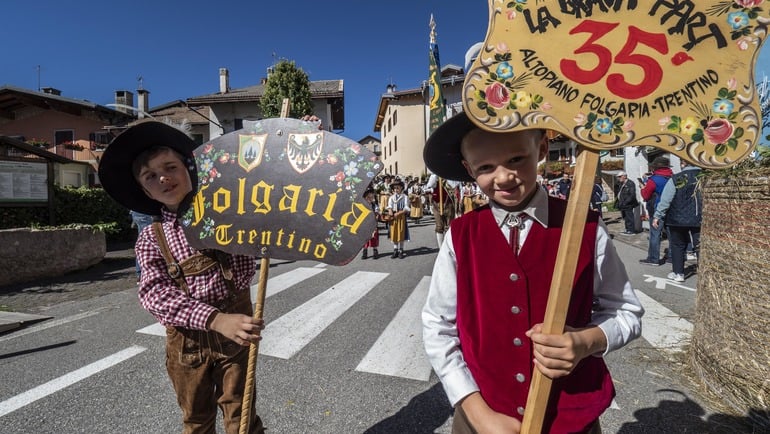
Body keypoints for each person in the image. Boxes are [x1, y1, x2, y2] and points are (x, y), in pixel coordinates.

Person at [421, 112, 643, 433]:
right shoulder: (461, 234)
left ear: (540, 148)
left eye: (516, 158)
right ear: (469, 170)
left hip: (568, 416)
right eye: (485, 167)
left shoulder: (585, 227)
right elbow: (438, 326)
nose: (503, 177)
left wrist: (586, 341)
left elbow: (626, 312)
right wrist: (475, 409)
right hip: (483, 416)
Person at [98, 121, 266, 434]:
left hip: (236, 337)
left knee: (242, 420)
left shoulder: (228, 215)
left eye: (170, 167)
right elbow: (154, 294)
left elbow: (249, 257)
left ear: (189, 169)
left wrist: (302, 134)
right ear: (145, 190)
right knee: (197, 422)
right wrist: (215, 319)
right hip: (187, 345)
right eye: (150, 176)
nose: (163, 177)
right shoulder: (152, 237)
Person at [653, 160, 702, 283]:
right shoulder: (703, 177)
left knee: (677, 245)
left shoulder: (677, 178)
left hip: (677, 218)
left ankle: (678, 273)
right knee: (700, 246)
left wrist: (657, 216)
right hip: (699, 217)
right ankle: (704, 274)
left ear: (683, 163)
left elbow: (666, 200)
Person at [639, 155, 674, 266]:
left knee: (655, 234)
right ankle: (673, 257)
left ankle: (653, 258)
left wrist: (642, 188)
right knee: (671, 234)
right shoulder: (673, 177)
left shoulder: (653, 180)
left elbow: (646, 195)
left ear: (655, 168)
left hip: (658, 209)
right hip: (672, 208)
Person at [424, 171, 457, 248]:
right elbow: (430, 185)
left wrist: (445, 177)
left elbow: (454, 185)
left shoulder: (450, 176)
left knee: (449, 226)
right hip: (437, 204)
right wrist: (436, 174)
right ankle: (441, 248)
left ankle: (450, 247)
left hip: (448, 204)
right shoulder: (434, 176)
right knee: (439, 227)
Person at [385, 178, 410, 258]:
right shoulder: (391, 198)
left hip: (401, 217)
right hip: (393, 217)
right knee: (394, 233)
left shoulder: (405, 197)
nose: (396, 189)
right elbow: (389, 206)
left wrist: (399, 213)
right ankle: (395, 249)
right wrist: (390, 211)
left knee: (401, 232)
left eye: (397, 188)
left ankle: (401, 250)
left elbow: (406, 208)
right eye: (394, 188)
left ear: (401, 188)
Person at [129, 210, 154, 279]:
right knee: (148, 242)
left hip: (139, 211)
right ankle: (142, 273)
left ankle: (140, 273)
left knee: (144, 241)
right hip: (145, 212)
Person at [361, 187, 380, 259]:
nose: (370, 198)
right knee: (364, 238)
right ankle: (364, 251)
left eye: (372, 197)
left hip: (372, 223)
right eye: (368, 197)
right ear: (365, 197)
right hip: (364, 224)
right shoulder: (362, 205)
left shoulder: (374, 205)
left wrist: (376, 217)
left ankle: (375, 250)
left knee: (374, 237)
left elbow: (377, 213)